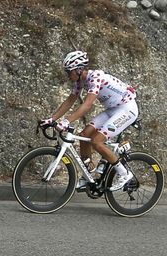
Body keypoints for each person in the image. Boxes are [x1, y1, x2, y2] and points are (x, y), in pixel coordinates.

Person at [40, 50, 137, 191]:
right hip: (112, 109)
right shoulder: (80, 81)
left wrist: (67, 121)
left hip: (127, 108)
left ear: (79, 70)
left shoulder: (95, 77)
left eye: (69, 72)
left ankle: (124, 174)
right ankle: (88, 175)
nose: (68, 76)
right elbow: (70, 100)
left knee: (97, 141)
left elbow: (87, 105)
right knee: (84, 135)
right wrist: (52, 119)